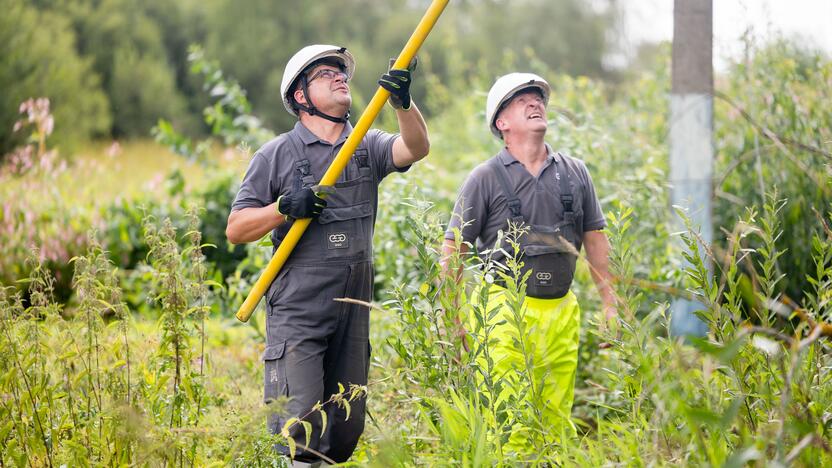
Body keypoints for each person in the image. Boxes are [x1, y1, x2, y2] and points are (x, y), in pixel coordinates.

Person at [226, 44, 429, 466]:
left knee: (344, 425)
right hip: (298, 310)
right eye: (325, 73)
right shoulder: (276, 154)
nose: (340, 77)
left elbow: (415, 148)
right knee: (300, 426)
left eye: (342, 72)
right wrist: (282, 207)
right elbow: (236, 228)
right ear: (300, 96)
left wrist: (403, 103)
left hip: (351, 310)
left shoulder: (366, 144)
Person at [442, 73, 615, 451]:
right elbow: (454, 251)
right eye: (521, 99)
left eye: (537, 97)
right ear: (501, 123)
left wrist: (610, 305)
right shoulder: (484, 178)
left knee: (556, 420)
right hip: (504, 312)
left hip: (562, 310)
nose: (535, 102)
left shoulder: (575, 173)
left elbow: (596, 240)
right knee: (511, 421)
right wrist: (454, 321)